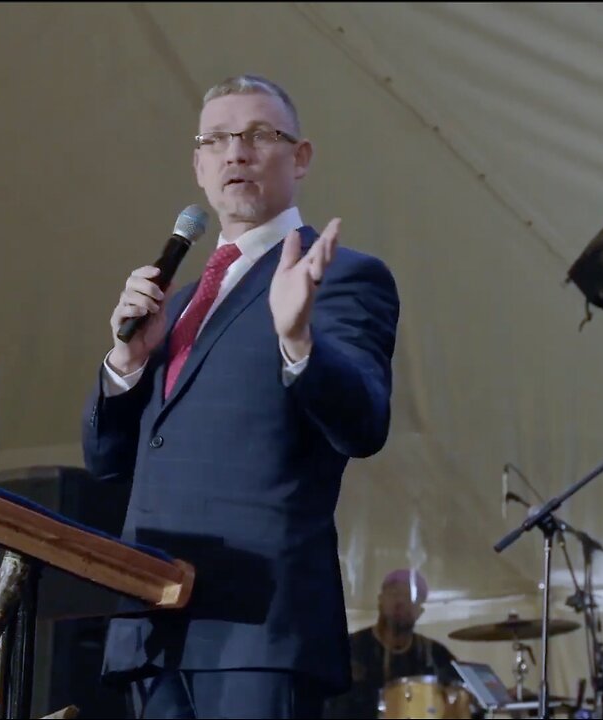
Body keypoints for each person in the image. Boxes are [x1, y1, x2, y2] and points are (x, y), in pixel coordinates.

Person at [80, 74, 400, 719]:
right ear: (198, 166)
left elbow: (363, 423)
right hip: (152, 621)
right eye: (217, 139)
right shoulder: (182, 297)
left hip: (259, 627)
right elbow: (106, 461)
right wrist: (126, 363)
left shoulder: (337, 274)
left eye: (259, 135)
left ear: (300, 156)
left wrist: (298, 339)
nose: (237, 152)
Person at [323, 570, 461, 719]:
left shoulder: (436, 654)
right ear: (380, 600)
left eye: (410, 597)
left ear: (419, 611)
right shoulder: (347, 649)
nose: (400, 601)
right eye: (394, 593)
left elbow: (460, 698)